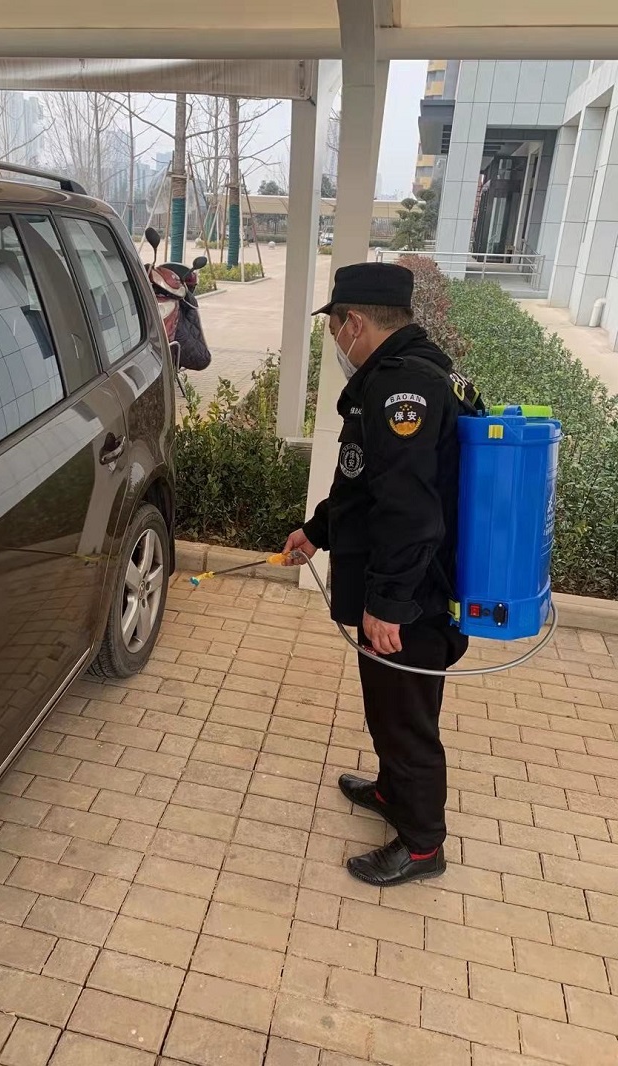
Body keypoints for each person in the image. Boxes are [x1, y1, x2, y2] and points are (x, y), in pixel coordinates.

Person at [283, 262, 481, 888]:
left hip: (414, 596)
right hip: (410, 585)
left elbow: (409, 509)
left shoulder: (403, 390)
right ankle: (394, 792)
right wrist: (317, 531)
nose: (335, 339)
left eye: (335, 327)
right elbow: (365, 482)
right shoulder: (410, 373)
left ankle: (423, 847)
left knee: (405, 717)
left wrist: (390, 602)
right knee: (390, 705)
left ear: (355, 322)